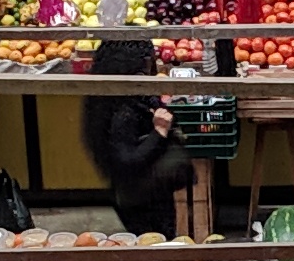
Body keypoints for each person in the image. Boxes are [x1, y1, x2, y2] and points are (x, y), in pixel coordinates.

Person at [83, 31, 208, 241]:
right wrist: (160, 132)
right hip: (142, 194)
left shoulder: (108, 97)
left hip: (139, 190)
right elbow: (127, 160)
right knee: (156, 241)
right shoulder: (124, 113)